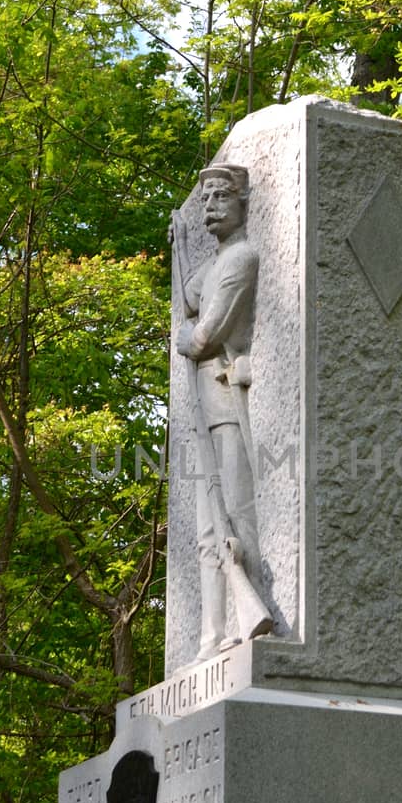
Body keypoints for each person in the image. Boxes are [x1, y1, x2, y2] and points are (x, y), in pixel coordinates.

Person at [174, 165, 269, 661]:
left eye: (220, 198)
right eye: (204, 197)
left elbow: (204, 335)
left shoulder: (241, 259)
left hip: (227, 405)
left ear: (241, 203)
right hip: (204, 412)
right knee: (210, 529)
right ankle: (212, 638)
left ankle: (248, 611)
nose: (209, 205)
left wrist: (184, 338)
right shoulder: (213, 266)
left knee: (237, 514)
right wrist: (181, 242)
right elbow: (190, 293)